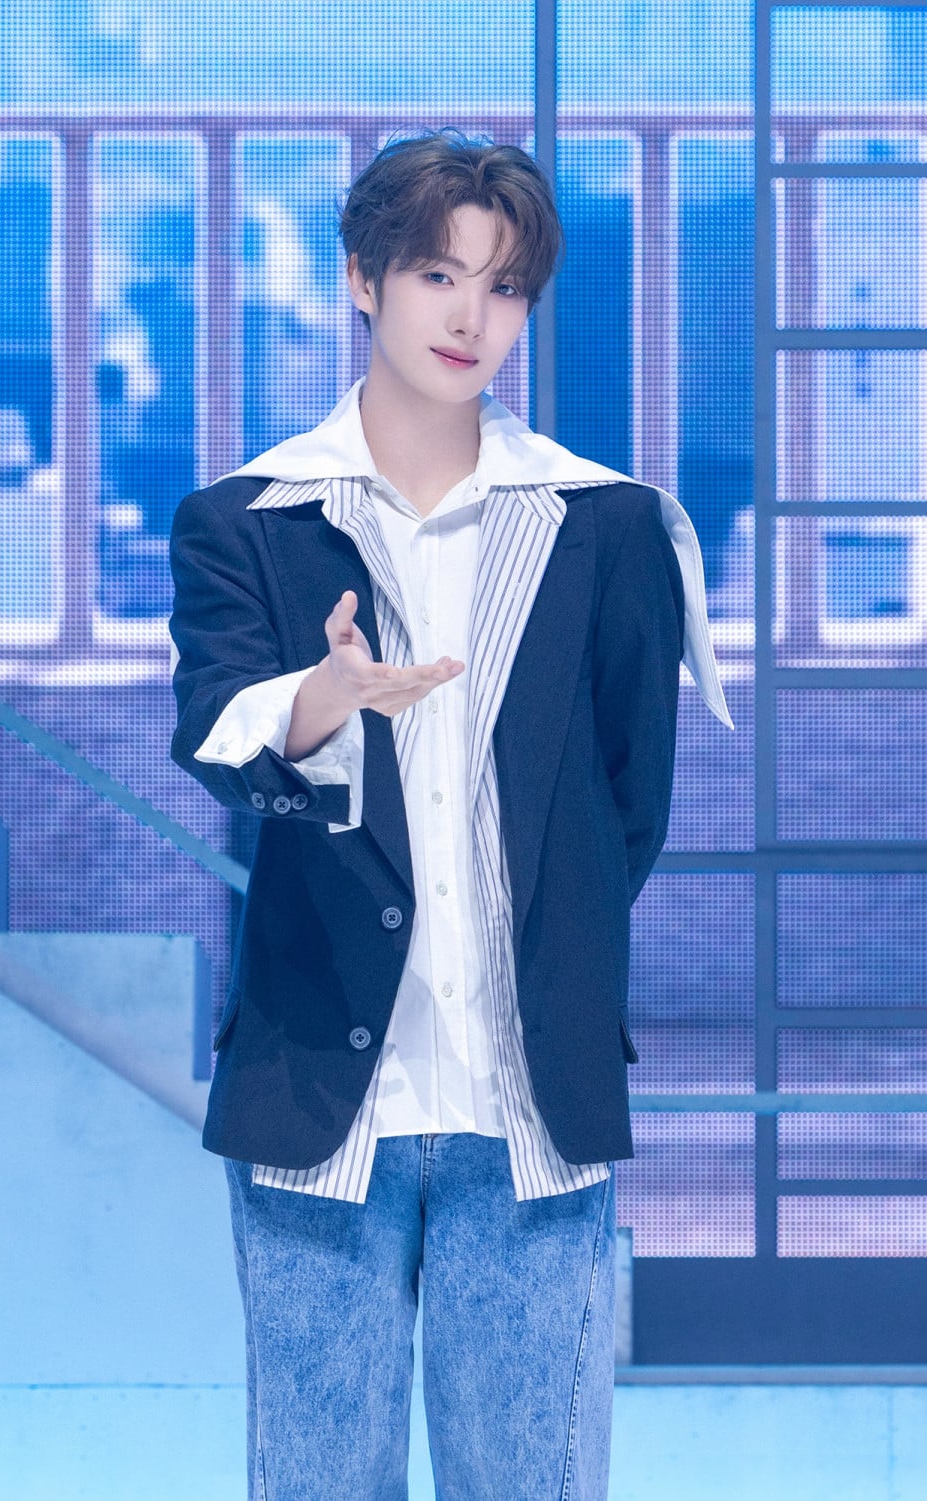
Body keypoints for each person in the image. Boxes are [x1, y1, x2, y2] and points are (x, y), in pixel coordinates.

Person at [169, 127, 732, 1501]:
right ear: (363, 280)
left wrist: (545, 939)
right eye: (437, 274)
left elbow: (625, 808)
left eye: (504, 284)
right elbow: (218, 740)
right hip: (317, 1100)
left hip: (529, 1108)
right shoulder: (247, 519)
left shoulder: (604, 526)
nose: (471, 315)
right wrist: (325, 698)